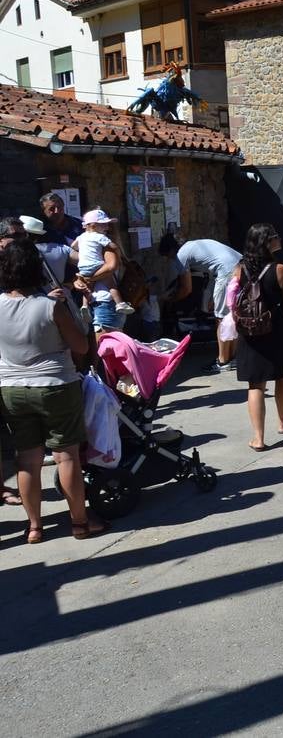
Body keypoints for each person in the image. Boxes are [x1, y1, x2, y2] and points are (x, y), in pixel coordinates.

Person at [0, 240, 105, 543]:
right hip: (55, 385)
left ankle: (34, 527)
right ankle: (80, 523)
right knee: (66, 455)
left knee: (27, 459)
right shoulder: (50, 307)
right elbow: (82, 347)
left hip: (12, 388)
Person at [233, 223, 283, 452]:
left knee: (256, 384)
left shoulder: (239, 268)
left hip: (249, 331)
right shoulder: (281, 269)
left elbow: (233, 298)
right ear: (265, 242)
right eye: (274, 236)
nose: (279, 239)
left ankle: (258, 438)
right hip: (276, 328)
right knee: (281, 375)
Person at [160, 234, 243, 373]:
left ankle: (222, 361)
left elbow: (186, 289)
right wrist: (212, 296)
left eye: (167, 257)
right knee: (231, 317)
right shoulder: (195, 244)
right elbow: (213, 266)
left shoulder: (181, 255)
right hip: (241, 266)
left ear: (170, 251)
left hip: (227, 272)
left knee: (221, 319)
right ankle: (233, 357)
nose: (169, 260)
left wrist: (169, 300)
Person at [74, 209, 134, 319]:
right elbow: (111, 266)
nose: (107, 227)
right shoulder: (100, 239)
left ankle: (84, 305)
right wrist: (118, 251)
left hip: (100, 298)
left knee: (87, 288)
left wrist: (87, 277)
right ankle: (119, 303)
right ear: (93, 226)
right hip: (104, 301)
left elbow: (73, 246)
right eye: (104, 224)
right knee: (110, 283)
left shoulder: (82, 237)